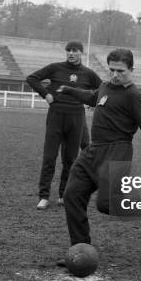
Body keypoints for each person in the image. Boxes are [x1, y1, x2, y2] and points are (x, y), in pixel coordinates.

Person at [55, 47, 141, 251]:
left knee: (106, 204)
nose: (115, 75)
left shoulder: (134, 96)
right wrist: (69, 90)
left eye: (121, 71)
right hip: (93, 151)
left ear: (131, 69)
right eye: (112, 70)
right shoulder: (106, 86)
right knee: (72, 196)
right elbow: (92, 97)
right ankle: (81, 249)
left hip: (117, 152)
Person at [26, 41, 102, 210]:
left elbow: (103, 89)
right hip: (56, 116)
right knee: (49, 158)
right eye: (68, 50)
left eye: (75, 51)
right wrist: (45, 94)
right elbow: (32, 78)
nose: (71, 53)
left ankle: (62, 195)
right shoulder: (55, 68)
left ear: (81, 53)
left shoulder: (88, 74)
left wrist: (92, 100)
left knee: (70, 160)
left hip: (76, 117)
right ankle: (44, 196)